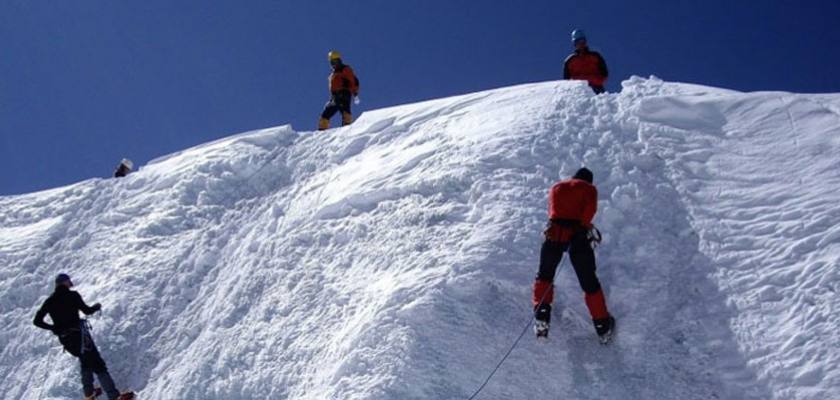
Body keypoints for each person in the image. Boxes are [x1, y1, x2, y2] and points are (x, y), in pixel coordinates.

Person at [532, 168, 615, 342]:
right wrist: (583, 226)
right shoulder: (589, 188)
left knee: (545, 275)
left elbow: (553, 211)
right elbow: (589, 211)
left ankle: (541, 318)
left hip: (553, 233)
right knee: (589, 281)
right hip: (577, 236)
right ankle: (602, 326)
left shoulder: (557, 187)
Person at [33, 274, 134, 400]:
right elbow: (87, 311)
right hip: (80, 337)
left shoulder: (49, 301)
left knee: (85, 362)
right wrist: (96, 307)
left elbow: (37, 321)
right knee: (98, 365)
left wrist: (53, 327)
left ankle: (89, 394)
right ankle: (114, 396)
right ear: (64, 282)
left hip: (66, 340)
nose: (71, 282)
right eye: (69, 280)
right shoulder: (73, 295)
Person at [318, 50, 360, 130]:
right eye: (331, 62)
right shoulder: (333, 73)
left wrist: (355, 93)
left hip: (344, 93)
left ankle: (347, 129)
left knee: (345, 111)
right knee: (326, 113)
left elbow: (354, 81)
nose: (333, 64)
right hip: (335, 96)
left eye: (334, 61)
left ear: (339, 60)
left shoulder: (345, 69)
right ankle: (322, 130)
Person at [563, 29, 609, 94]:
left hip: (597, 89)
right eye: (577, 42)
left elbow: (604, 75)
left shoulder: (595, 56)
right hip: (578, 92)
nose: (580, 44)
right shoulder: (569, 61)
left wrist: (592, 80)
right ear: (574, 44)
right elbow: (566, 82)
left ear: (585, 41)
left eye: (582, 41)